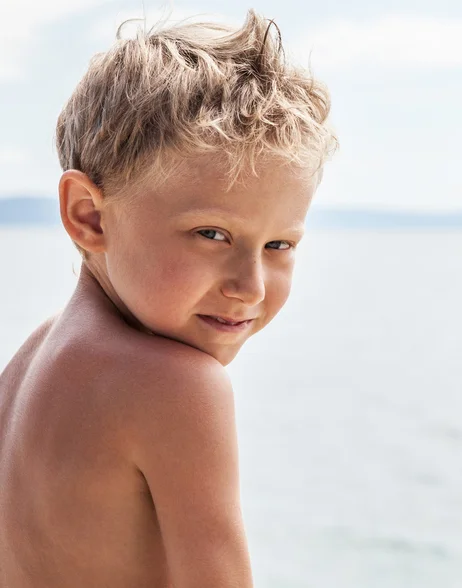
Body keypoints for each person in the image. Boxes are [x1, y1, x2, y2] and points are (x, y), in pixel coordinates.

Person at [0, 9, 337, 587]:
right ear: (89, 216)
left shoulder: (28, 366)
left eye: (279, 244)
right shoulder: (176, 387)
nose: (250, 286)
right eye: (212, 234)